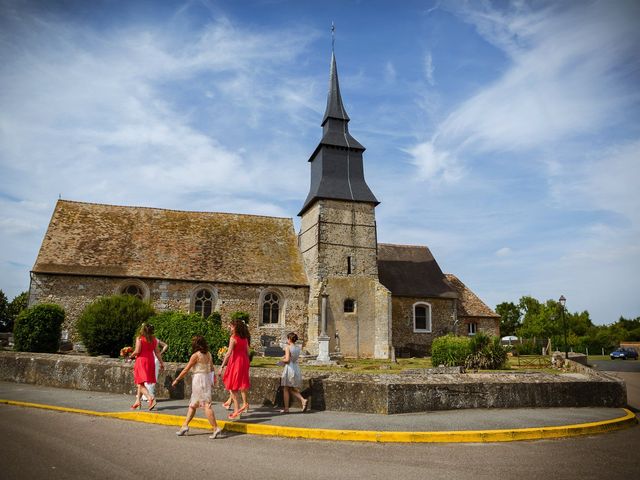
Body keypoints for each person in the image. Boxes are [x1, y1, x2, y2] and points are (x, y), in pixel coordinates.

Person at [171, 336, 222, 439]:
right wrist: (213, 381)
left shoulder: (196, 355)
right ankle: (184, 426)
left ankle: (215, 428)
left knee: (206, 405)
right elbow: (212, 369)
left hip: (198, 380)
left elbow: (186, 369)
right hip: (206, 379)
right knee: (193, 404)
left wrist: (177, 379)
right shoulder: (208, 354)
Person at [218, 318, 251, 420]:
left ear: (235, 327)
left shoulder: (233, 338)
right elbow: (248, 352)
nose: (229, 327)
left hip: (235, 362)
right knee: (239, 384)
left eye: (231, 326)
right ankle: (240, 407)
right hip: (244, 362)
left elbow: (228, 353)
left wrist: (222, 366)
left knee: (233, 386)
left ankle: (236, 411)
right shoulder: (244, 338)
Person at [131, 322, 164, 411]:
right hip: (150, 361)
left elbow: (137, 351)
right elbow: (157, 352)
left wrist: (130, 355)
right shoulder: (153, 339)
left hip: (141, 361)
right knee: (141, 382)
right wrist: (161, 362)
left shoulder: (139, 338)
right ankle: (137, 401)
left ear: (142, 330)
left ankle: (150, 398)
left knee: (139, 382)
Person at [279, 332, 308, 413]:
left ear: (289, 339)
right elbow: (293, 357)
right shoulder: (298, 348)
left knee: (285, 388)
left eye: (287, 338)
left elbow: (287, 360)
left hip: (289, 368)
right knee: (291, 388)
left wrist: (280, 360)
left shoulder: (287, 347)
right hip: (295, 367)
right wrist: (286, 357)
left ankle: (286, 408)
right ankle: (303, 400)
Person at [142, 325, 168, 403]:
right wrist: (161, 353)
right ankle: (147, 395)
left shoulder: (143, 339)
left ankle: (148, 396)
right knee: (152, 377)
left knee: (147, 377)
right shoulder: (154, 339)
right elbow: (166, 345)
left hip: (149, 359)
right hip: (155, 359)